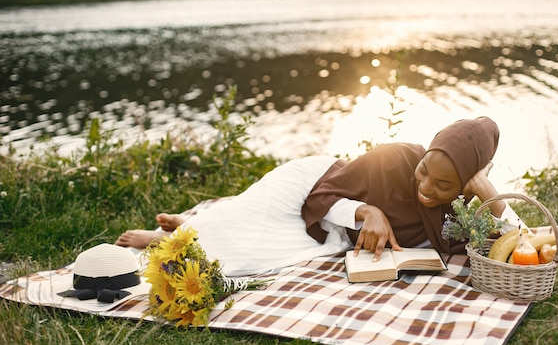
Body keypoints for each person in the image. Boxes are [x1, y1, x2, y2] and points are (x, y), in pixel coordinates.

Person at [116, 116, 519, 276]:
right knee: (233, 223)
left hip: (331, 235)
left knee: (246, 260)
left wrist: (485, 188)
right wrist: (367, 210)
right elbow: (323, 195)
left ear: (465, 183)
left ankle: (195, 224)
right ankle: (171, 235)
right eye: (425, 170)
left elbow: (517, 241)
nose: (426, 188)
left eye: (444, 186)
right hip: (314, 188)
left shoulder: (468, 205)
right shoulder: (394, 159)